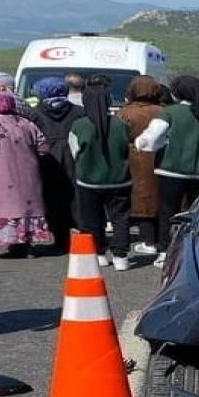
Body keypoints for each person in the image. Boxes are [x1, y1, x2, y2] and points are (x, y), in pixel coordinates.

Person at [133, 75, 199, 267]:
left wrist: (146, 144)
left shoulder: (171, 113)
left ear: (177, 93)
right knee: (198, 215)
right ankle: (196, 250)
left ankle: (165, 251)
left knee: (168, 213)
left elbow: (150, 139)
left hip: (171, 172)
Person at [0, 92, 51, 257]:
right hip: (27, 175)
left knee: (0, 204)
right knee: (25, 206)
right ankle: (24, 241)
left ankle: (12, 242)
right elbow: (43, 148)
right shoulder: (27, 124)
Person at [71, 83, 133, 270]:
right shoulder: (121, 124)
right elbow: (127, 148)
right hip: (120, 179)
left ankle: (99, 254)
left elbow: (75, 152)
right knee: (120, 218)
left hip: (89, 181)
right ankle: (121, 256)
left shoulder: (79, 125)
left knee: (92, 219)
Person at [23, 76, 84, 254]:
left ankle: (59, 238)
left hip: (47, 159)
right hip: (73, 157)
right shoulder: (78, 111)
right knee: (74, 197)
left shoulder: (34, 113)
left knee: (51, 199)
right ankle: (83, 234)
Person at [117, 76, 165, 253]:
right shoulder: (163, 111)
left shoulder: (124, 113)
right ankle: (160, 239)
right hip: (160, 157)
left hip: (135, 159)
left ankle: (148, 240)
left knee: (141, 200)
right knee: (159, 198)